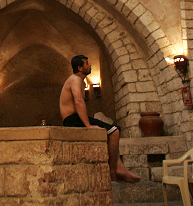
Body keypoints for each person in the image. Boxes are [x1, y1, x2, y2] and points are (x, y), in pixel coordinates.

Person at [60, 55, 141, 183]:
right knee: (114, 132)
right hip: (72, 119)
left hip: (75, 118)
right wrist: (88, 125)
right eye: (87, 63)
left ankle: (119, 167)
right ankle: (114, 172)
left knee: (114, 131)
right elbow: (79, 101)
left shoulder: (80, 81)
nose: (90, 64)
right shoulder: (75, 79)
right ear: (80, 68)